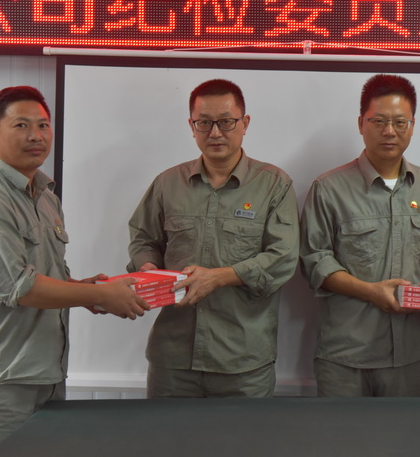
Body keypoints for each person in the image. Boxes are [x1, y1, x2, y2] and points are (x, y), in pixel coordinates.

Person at [0, 85, 149, 457]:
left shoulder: (45, 197)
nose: (36, 136)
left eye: (43, 125)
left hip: (44, 373)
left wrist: (82, 290)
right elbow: (18, 287)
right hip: (2, 379)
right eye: (21, 125)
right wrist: (99, 294)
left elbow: (42, 276)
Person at [127, 78, 299, 398]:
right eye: (204, 123)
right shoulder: (168, 183)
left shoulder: (274, 185)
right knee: (163, 433)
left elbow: (283, 257)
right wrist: (148, 269)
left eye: (226, 122)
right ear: (192, 126)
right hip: (173, 358)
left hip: (243, 360)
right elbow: (143, 238)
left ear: (245, 123)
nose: (215, 133)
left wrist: (218, 278)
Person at [300, 74, 420, 397]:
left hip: (410, 352)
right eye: (379, 121)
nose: (389, 131)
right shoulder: (328, 188)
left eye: (400, 122)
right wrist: (371, 292)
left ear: (412, 126)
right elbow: (315, 261)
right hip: (345, 356)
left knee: (404, 432)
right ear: (361, 123)